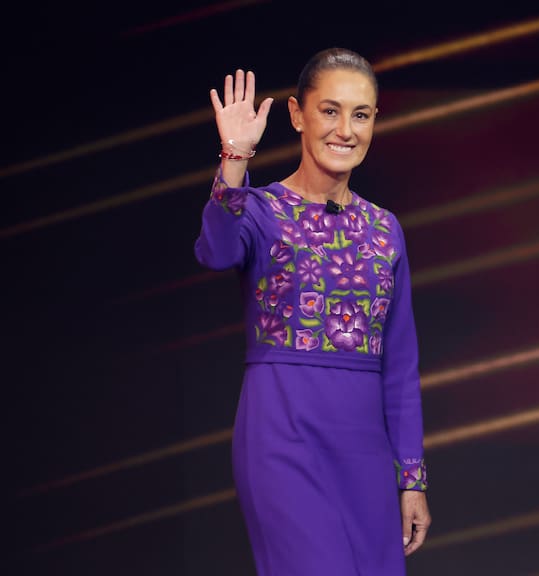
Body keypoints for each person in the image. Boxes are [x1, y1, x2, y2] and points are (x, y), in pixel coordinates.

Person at [194, 47, 431, 575]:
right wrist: (235, 158)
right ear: (298, 115)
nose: (346, 129)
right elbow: (216, 251)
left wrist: (411, 478)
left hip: (364, 452)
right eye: (330, 110)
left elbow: (399, 366)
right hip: (282, 441)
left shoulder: (385, 230)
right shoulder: (258, 208)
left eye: (362, 114)